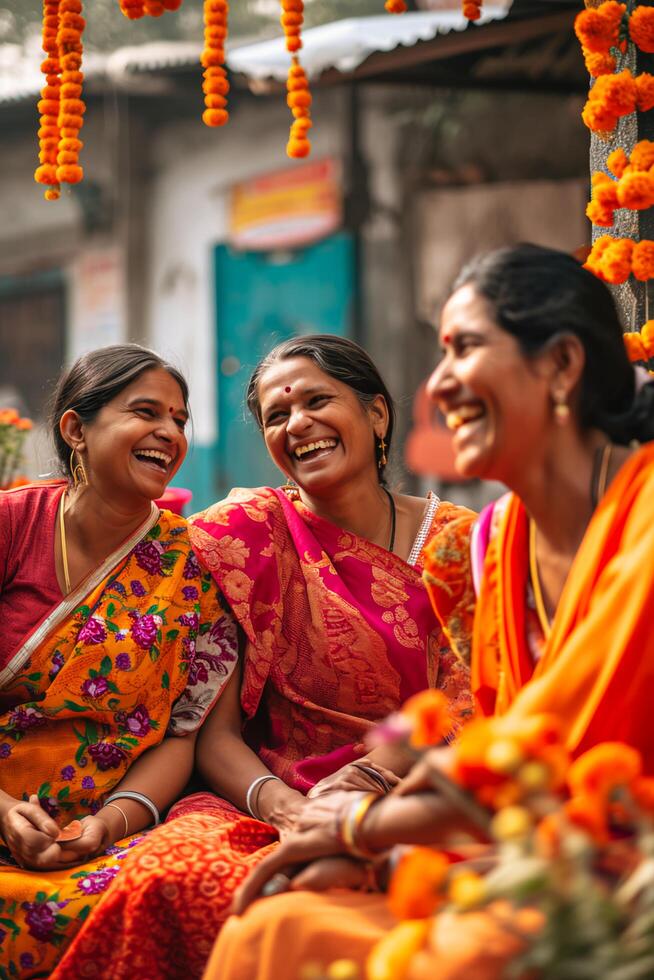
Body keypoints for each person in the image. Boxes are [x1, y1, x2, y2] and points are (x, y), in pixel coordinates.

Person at [202, 243, 654, 980]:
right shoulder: (498, 543)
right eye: (276, 414)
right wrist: (344, 828)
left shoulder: (637, 518)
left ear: (562, 365)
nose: (439, 385)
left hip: (616, 859)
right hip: (522, 835)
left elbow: (550, 758)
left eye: (465, 348)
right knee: (282, 913)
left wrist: (361, 824)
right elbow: (493, 751)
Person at [51, 335, 474, 980]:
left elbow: (473, 702)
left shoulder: (458, 542)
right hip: (263, 799)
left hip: (420, 793)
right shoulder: (244, 535)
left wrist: (361, 793)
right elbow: (212, 733)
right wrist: (284, 807)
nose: (297, 424)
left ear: (378, 415)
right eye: (277, 416)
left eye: (317, 401)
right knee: (169, 878)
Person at [0, 345, 237, 978]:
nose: (169, 432)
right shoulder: (12, 527)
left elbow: (183, 734)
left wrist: (108, 824)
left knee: (151, 900)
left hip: (110, 822)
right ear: (76, 429)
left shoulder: (193, 565)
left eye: (180, 420)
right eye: (146, 412)